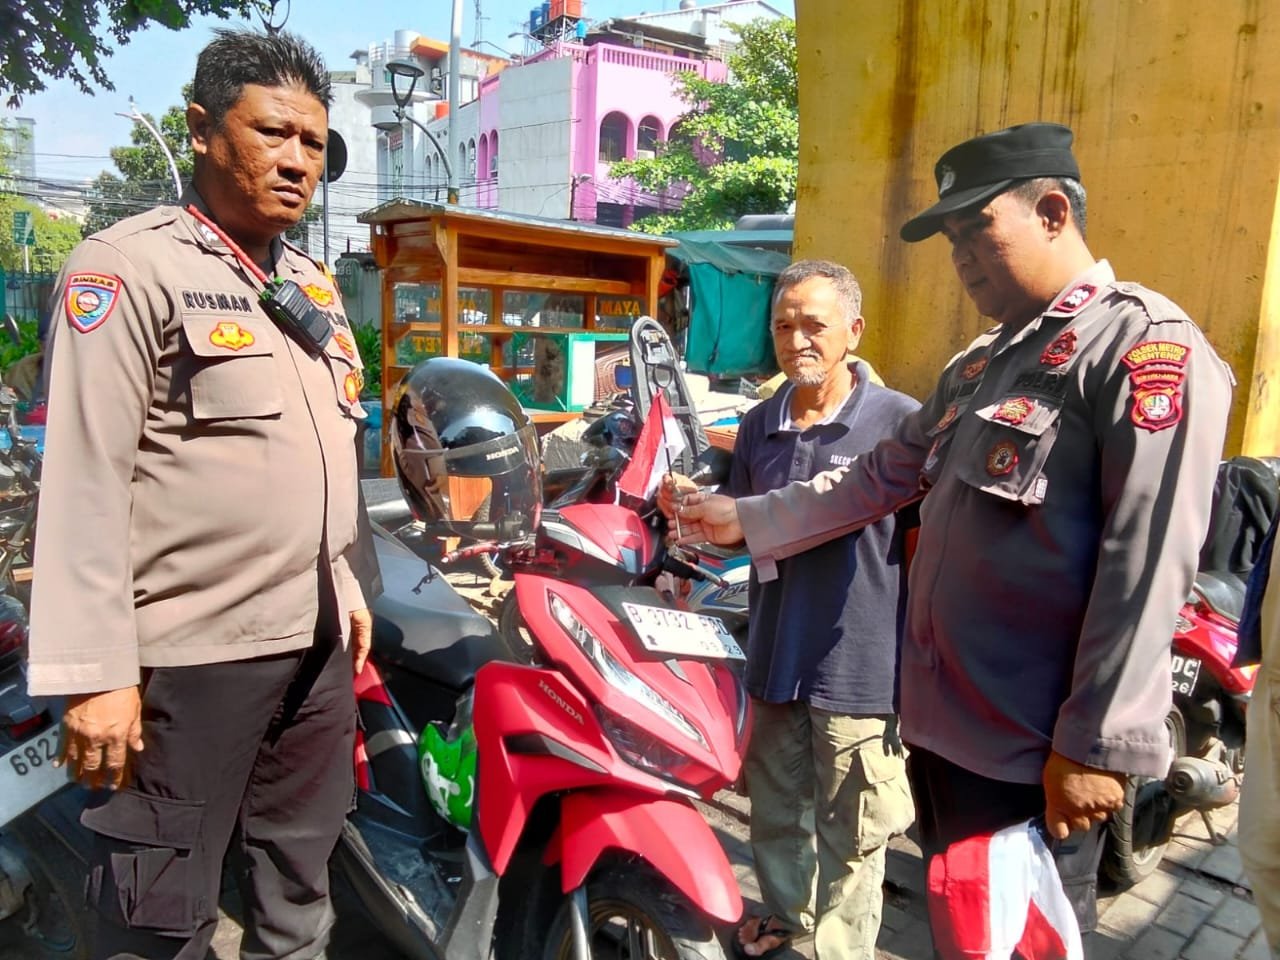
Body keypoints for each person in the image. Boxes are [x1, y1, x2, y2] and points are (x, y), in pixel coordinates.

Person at [676, 122, 1234, 936]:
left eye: (978, 229)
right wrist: (748, 516)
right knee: (962, 932)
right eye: (952, 239)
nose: (961, 257)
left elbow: (1147, 565)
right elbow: (877, 477)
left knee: (1019, 940)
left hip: (1033, 749)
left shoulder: (1139, 347)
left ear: (1052, 212)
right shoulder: (981, 365)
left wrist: (1096, 745)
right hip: (944, 734)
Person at [27, 29, 378, 960]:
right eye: (272, 133)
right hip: (189, 655)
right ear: (200, 128)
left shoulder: (309, 284)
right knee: (157, 911)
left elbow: (324, 449)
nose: (297, 161)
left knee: (299, 886)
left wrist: (343, 581)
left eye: (314, 143)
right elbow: (84, 477)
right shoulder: (127, 268)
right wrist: (95, 672)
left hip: (312, 643)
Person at [665, 260, 917, 959]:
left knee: (853, 830)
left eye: (814, 325)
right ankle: (787, 915)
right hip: (776, 648)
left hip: (860, 661)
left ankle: (839, 949)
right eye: (782, 326)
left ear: (853, 331)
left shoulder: (898, 423)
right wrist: (694, 509)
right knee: (775, 810)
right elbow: (743, 528)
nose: (796, 340)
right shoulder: (759, 425)